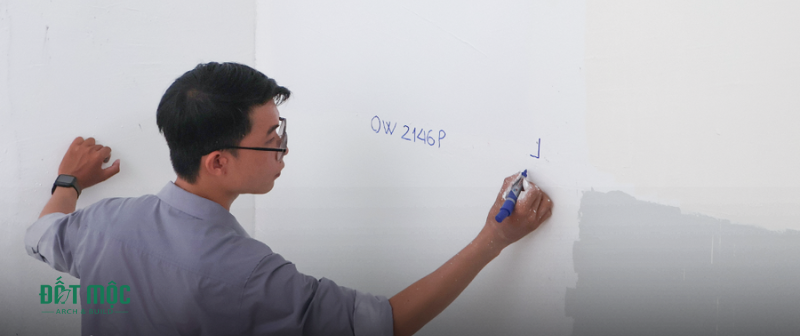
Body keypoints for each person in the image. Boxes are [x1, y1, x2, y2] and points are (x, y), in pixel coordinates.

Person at [26, 62, 553, 336]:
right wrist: (492, 239)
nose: (281, 148)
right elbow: (387, 325)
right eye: (270, 138)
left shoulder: (105, 224)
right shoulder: (247, 276)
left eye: (281, 130)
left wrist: (69, 182)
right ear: (218, 162)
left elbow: (39, 236)